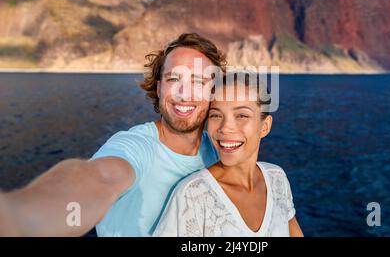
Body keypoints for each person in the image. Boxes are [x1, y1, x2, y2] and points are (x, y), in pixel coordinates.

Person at [0, 33, 226, 236]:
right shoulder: (137, 147)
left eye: (198, 81)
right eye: (173, 79)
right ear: (159, 89)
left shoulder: (220, 150)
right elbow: (100, 177)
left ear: (214, 92)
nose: (184, 94)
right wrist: (21, 218)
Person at [153, 71, 304, 237]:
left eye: (241, 115)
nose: (225, 127)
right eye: (216, 115)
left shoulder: (277, 179)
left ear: (265, 127)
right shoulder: (192, 195)